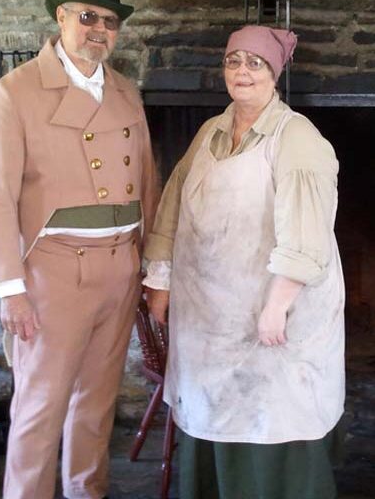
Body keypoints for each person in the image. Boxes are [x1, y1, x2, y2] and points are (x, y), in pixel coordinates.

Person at [0, 0, 158, 498]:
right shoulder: (18, 92)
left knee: (97, 402)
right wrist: (11, 290)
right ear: (61, 17)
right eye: (87, 16)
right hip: (53, 275)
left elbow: (147, 185)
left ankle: (86, 491)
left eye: (109, 21)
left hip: (120, 269)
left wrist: (150, 270)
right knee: (39, 409)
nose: (98, 29)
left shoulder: (126, 91)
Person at [143, 25, 346, 499]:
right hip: (209, 318)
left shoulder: (297, 138)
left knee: (268, 414)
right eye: (233, 60)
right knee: (211, 410)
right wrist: (161, 278)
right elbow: (173, 204)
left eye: (254, 62)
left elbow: (307, 232)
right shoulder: (209, 131)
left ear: (274, 73)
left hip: (271, 317)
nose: (242, 71)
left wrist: (277, 306)